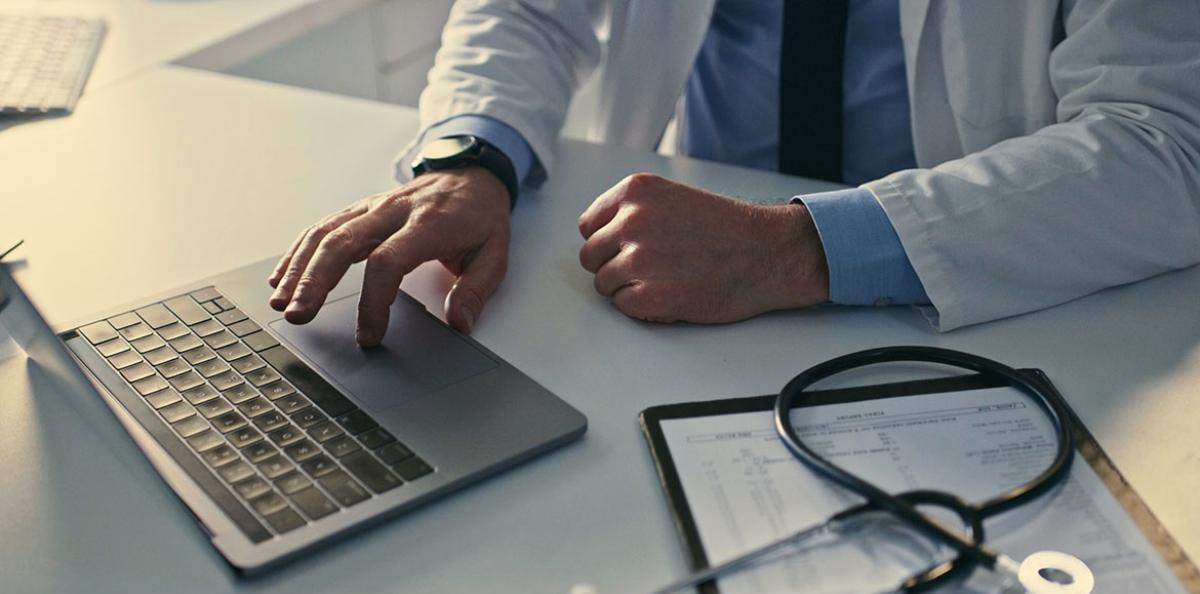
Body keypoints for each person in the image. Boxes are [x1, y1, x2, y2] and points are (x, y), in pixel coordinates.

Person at [267, 0, 1200, 346]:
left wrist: (795, 248)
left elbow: (1165, 140)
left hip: (972, 303)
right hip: (672, 277)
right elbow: (526, 11)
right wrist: (471, 158)